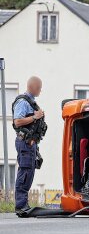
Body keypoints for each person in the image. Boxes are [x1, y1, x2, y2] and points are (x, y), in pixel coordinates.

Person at [12, 76, 46, 215]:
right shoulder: (22, 102)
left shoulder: (32, 103)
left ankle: (23, 204)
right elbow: (17, 122)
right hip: (24, 143)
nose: (40, 90)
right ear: (31, 87)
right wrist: (35, 117)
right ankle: (20, 206)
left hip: (31, 144)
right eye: (38, 88)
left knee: (29, 172)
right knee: (25, 172)